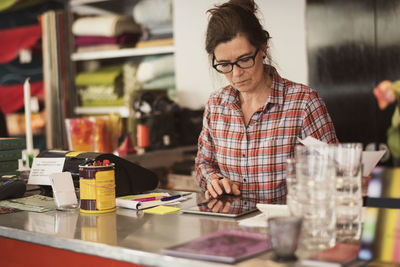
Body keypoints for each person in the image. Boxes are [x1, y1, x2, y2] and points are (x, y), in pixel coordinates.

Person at [195, 0, 338, 202]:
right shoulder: (216, 105)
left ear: (263, 47)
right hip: (231, 228)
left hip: (287, 227)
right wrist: (214, 180)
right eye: (225, 65)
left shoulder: (303, 103)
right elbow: (203, 163)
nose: (236, 73)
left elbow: (334, 172)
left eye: (244, 60)